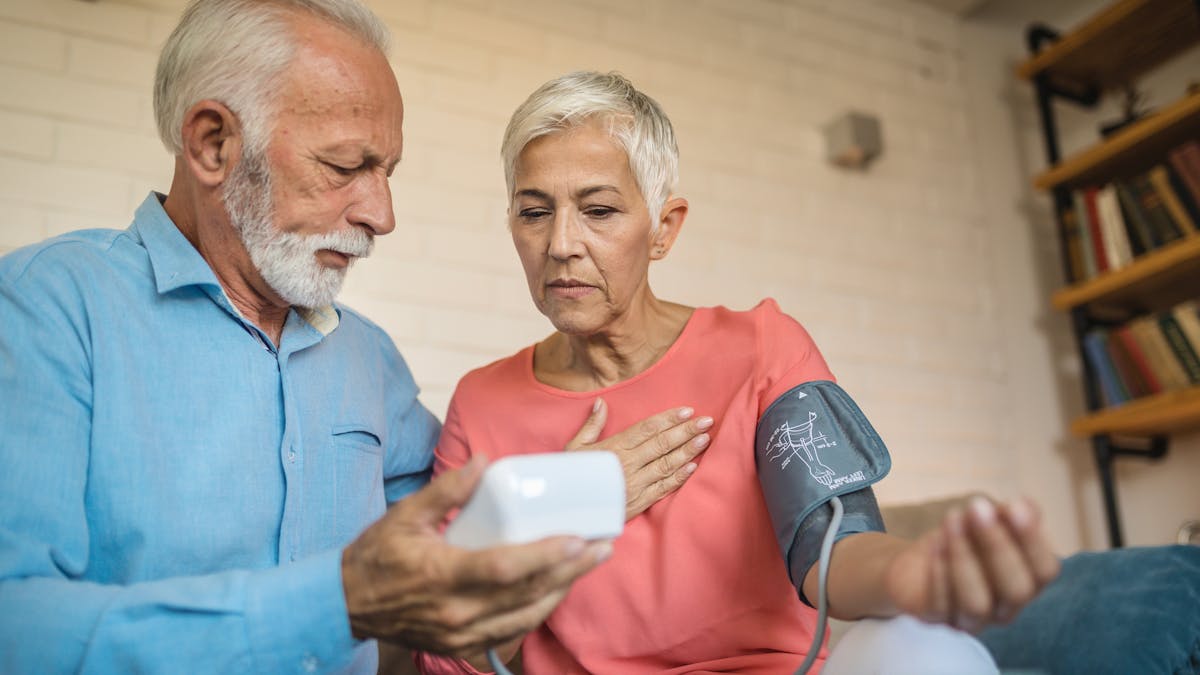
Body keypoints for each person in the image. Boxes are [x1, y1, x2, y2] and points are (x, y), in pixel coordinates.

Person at [0, 4, 710, 673]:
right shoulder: (48, 308)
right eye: (345, 167)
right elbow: (16, 627)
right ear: (212, 144)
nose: (382, 212)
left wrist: (568, 494)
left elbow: (450, 552)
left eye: (387, 172)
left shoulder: (368, 359)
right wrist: (336, 602)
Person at [416, 71, 1063, 674]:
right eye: (534, 212)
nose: (560, 243)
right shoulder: (483, 402)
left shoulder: (760, 346)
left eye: (600, 210)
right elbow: (448, 658)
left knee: (930, 650)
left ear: (664, 228)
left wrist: (913, 574)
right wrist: (557, 509)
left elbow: (830, 544)